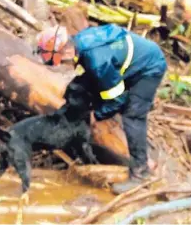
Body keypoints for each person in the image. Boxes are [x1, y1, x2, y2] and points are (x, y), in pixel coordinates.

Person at [35, 22, 167, 194]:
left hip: (148, 68)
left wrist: (97, 115)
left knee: (132, 116)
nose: (61, 64)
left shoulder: (97, 61)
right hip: (121, 64)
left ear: (66, 50)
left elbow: (118, 98)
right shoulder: (80, 44)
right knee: (77, 87)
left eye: (60, 60)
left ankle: (141, 173)